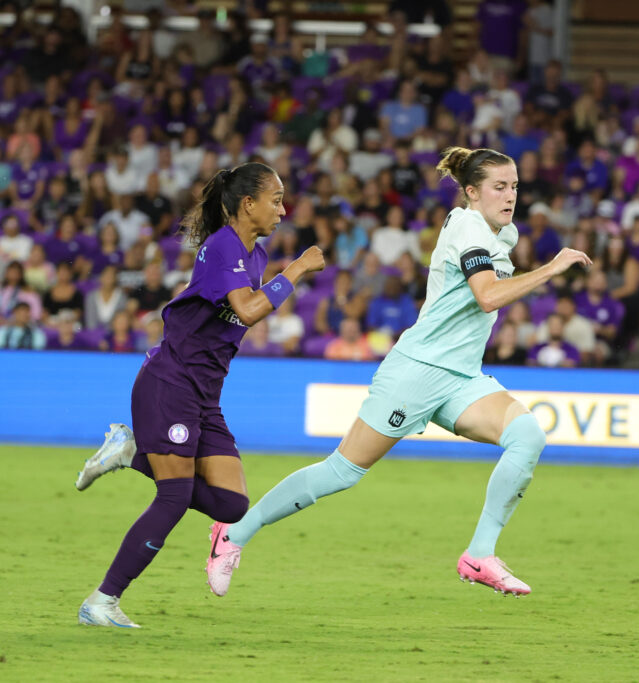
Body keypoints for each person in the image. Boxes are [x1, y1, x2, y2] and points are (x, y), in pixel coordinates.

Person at [203, 147, 591, 599]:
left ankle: (479, 555)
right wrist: (552, 267)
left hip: (461, 376)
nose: (511, 196)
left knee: (527, 437)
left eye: (515, 186)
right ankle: (233, 534)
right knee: (341, 472)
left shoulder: (500, 233)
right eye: (499, 187)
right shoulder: (468, 227)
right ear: (471, 192)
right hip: (417, 372)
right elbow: (487, 296)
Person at [75, 163, 326, 628]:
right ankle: (101, 602)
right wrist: (298, 268)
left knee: (231, 504)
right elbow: (248, 311)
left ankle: (131, 453)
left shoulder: (251, 255)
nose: (283, 208)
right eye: (275, 199)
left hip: (204, 395)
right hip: (170, 383)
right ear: (247, 204)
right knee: (173, 498)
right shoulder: (223, 247)